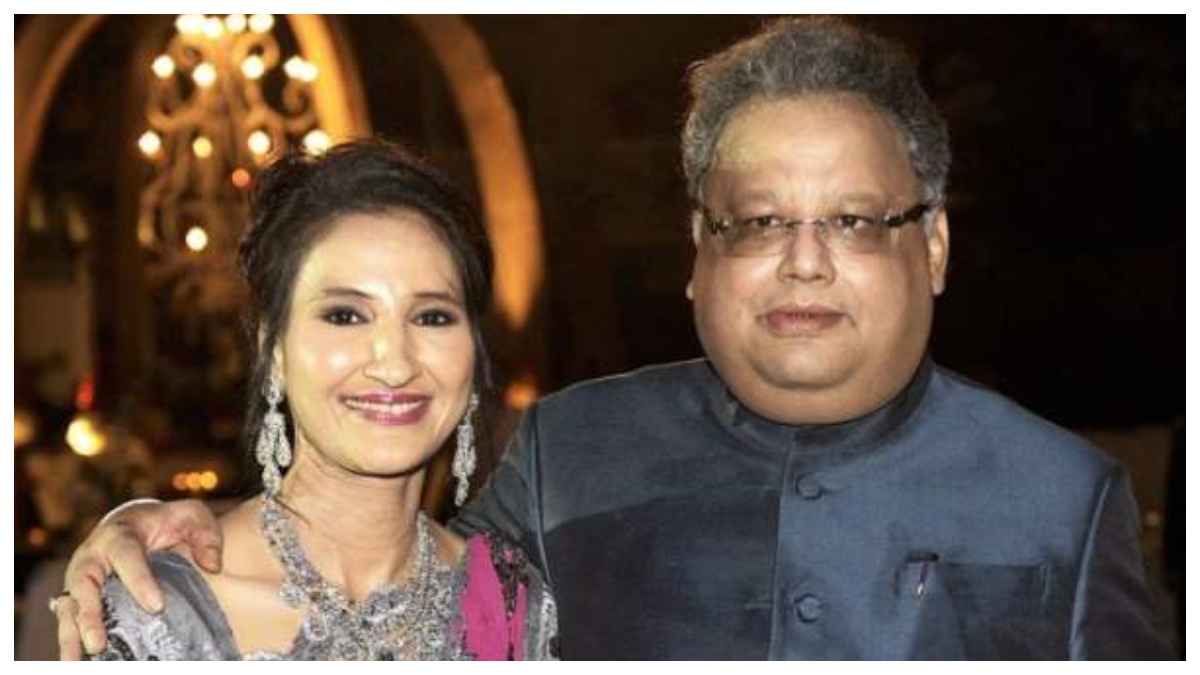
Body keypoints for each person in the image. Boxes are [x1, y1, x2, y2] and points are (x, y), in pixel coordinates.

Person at [56, 17, 1168, 659]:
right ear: (698, 253)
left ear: (932, 245)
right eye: (758, 222)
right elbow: (372, 560)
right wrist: (146, 523)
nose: (803, 261)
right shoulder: (570, 455)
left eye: (853, 221)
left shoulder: (1064, 502)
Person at [52, 140, 556, 660]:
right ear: (273, 348)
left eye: (432, 317)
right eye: (345, 315)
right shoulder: (152, 616)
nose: (395, 363)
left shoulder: (514, 608)